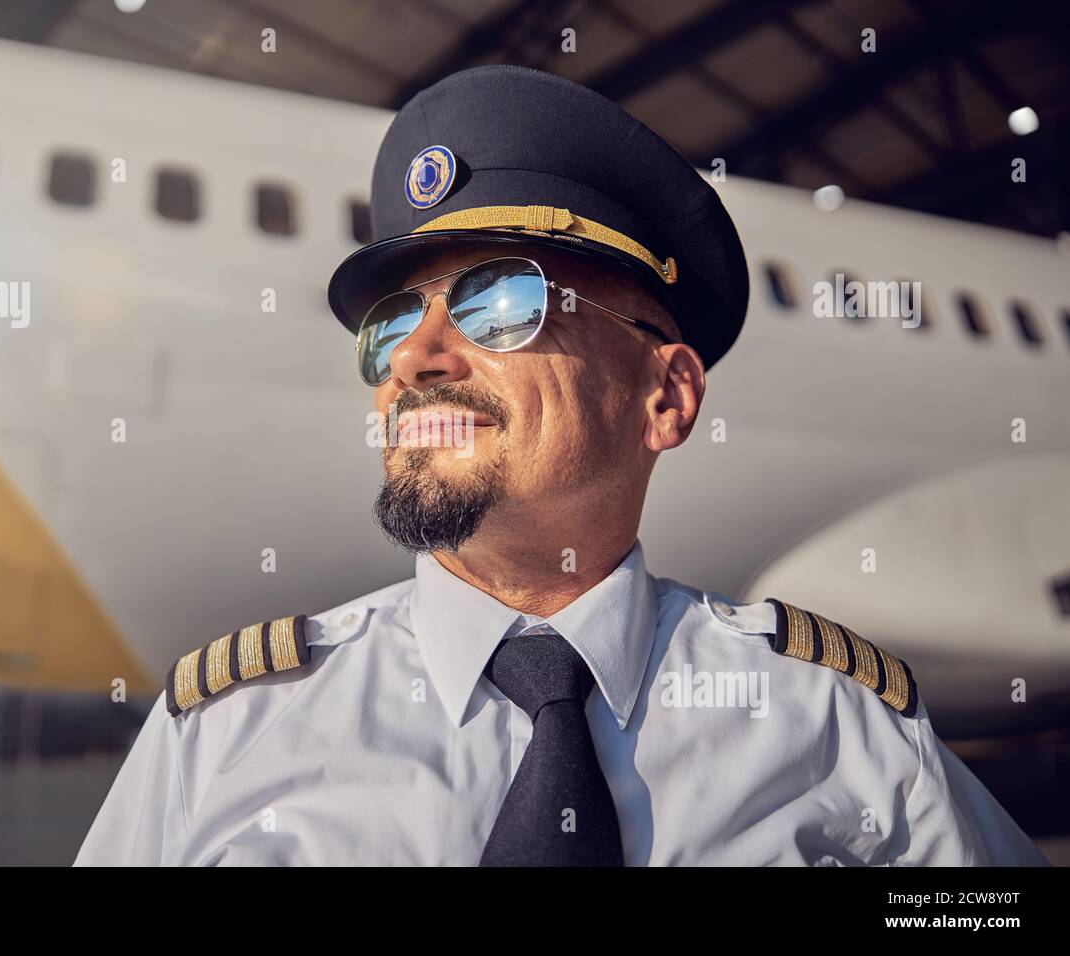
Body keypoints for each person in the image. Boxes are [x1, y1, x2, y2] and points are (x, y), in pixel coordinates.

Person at [75, 64, 1046, 866]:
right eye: (392, 324)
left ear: (665, 397)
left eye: (501, 301)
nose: (414, 359)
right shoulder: (224, 729)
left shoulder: (845, 724)